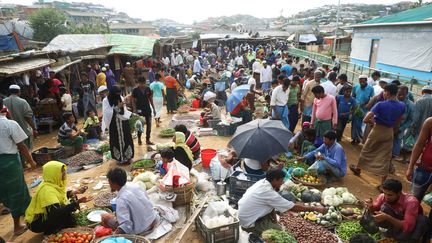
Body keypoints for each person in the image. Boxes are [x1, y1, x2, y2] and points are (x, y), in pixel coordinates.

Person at [238, 169, 326, 236]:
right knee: (282, 234)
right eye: (281, 180)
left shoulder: (262, 182)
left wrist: (274, 218)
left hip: (247, 216)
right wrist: (316, 208)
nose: (282, 182)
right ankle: (256, 231)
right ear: (274, 180)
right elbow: (293, 207)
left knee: (277, 224)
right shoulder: (269, 193)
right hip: (249, 224)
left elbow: (270, 204)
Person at [350, 84, 405, 186]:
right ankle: (383, 182)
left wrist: (372, 123)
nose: (383, 93)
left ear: (387, 92)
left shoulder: (380, 104)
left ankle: (358, 169)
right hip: (389, 132)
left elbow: (366, 119)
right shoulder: (402, 105)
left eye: (384, 91)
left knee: (367, 150)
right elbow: (398, 121)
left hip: (377, 130)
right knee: (385, 156)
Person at [0, 98, 36, 236]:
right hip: (9, 162)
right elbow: (22, 146)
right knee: (17, 191)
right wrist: (31, 161)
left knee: (4, 190)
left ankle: (15, 209)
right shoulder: (9, 124)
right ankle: (17, 226)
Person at [25, 161, 91, 235]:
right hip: (36, 223)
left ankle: (58, 226)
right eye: (61, 171)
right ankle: (50, 232)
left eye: (64, 170)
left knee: (70, 202)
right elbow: (56, 212)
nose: (64, 173)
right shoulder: (46, 189)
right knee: (65, 212)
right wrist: (76, 203)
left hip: (46, 215)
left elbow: (59, 197)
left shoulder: (52, 183)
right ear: (53, 173)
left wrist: (75, 192)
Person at [365, 179, 430, 242]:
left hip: (412, 222)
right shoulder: (383, 196)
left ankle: (412, 239)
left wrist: (388, 217)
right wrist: (371, 207)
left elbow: (408, 226)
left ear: (399, 193)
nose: (386, 197)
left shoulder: (411, 202)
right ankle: (393, 233)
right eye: (384, 193)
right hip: (398, 217)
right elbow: (375, 210)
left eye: (390, 195)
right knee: (384, 207)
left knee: (421, 221)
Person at [101, 167, 158, 235]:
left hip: (143, 229)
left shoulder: (121, 200)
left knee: (104, 217)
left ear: (114, 183)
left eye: (109, 181)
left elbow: (126, 226)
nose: (109, 183)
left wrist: (114, 236)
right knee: (116, 215)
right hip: (153, 219)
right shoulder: (135, 185)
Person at [4, 84, 37, 165]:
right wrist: (34, 128)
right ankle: (24, 164)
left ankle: (21, 164)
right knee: (25, 147)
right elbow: (28, 117)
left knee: (14, 148)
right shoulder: (23, 101)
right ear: (19, 92)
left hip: (8, 130)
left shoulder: (4, 101)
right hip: (23, 129)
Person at [406, 117, 432, 210]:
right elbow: (419, 144)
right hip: (424, 169)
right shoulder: (430, 122)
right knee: (413, 201)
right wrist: (410, 167)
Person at [106, 86, 134, 164]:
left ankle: (128, 157)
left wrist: (124, 108)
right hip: (114, 125)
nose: (118, 96)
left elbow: (123, 112)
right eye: (116, 94)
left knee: (126, 138)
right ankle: (119, 158)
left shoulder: (120, 98)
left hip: (123, 123)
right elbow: (108, 113)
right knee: (116, 140)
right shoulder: (106, 101)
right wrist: (118, 106)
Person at [351, 75, 374, 145]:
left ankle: (359, 137)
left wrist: (365, 104)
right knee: (354, 123)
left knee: (360, 124)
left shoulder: (370, 88)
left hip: (364, 109)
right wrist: (354, 104)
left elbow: (371, 98)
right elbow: (353, 96)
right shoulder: (356, 87)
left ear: (366, 81)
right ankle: (354, 138)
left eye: (363, 82)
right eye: (360, 82)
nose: (361, 83)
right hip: (356, 107)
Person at [132, 77, 156, 145]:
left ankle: (147, 139)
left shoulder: (148, 89)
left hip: (147, 109)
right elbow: (133, 101)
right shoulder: (135, 90)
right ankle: (139, 138)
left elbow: (150, 99)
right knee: (140, 125)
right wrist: (134, 110)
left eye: (143, 83)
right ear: (138, 83)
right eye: (141, 83)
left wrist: (153, 109)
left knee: (149, 124)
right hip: (139, 110)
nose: (142, 85)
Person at [393, 86, 414, 158]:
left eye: (403, 94)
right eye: (399, 94)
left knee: (397, 141)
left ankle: (394, 156)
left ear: (407, 94)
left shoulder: (410, 105)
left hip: (400, 128)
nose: (401, 96)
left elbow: (411, 119)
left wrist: (400, 129)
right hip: (389, 126)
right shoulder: (393, 101)